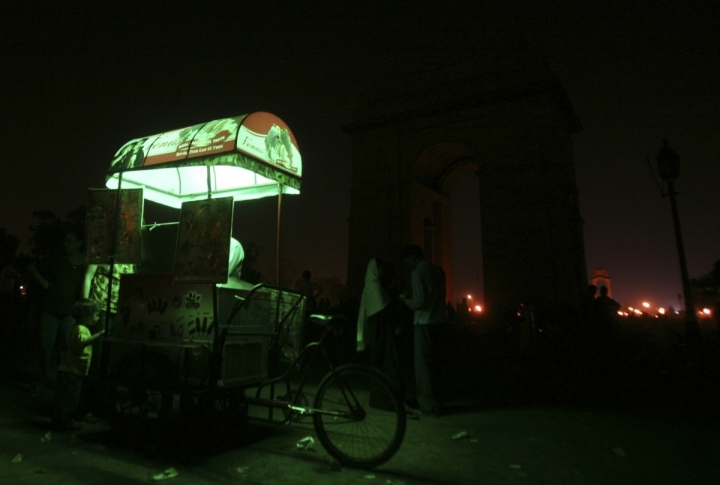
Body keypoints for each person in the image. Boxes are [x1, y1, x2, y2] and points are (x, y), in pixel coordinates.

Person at [357, 258, 419, 418]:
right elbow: (385, 311)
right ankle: (388, 401)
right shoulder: (375, 288)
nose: (384, 272)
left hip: (380, 335)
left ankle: (382, 399)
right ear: (375, 270)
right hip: (382, 337)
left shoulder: (372, 287)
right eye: (381, 269)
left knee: (382, 366)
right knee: (388, 366)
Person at [28, 228, 86, 387]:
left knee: (66, 347)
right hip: (50, 309)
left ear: (79, 243)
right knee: (45, 345)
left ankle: (62, 380)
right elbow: (32, 267)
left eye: (70, 241)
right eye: (65, 241)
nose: (66, 244)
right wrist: (44, 283)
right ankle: (39, 379)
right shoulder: (56, 259)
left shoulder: (83, 263)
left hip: (69, 312)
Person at [400, 244, 446, 417]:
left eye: (406, 261)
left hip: (423, 322)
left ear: (413, 257)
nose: (406, 265)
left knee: (423, 367)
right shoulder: (438, 270)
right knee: (436, 365)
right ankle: (438, 402)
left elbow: (419, 302)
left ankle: (427, 406)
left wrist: (404, 300)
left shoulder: (418, 272)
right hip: (439, 321)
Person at [50, 298, 105, 431]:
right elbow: (82, 342)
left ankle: (60, 421)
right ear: (86, 315)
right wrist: (99, 335)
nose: (98, 318)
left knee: (65, 397)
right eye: (96, 315)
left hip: (72, 370)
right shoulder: (81, 329)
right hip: (71, 371)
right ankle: (66, 422)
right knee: (70, 398)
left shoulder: (80, 327)